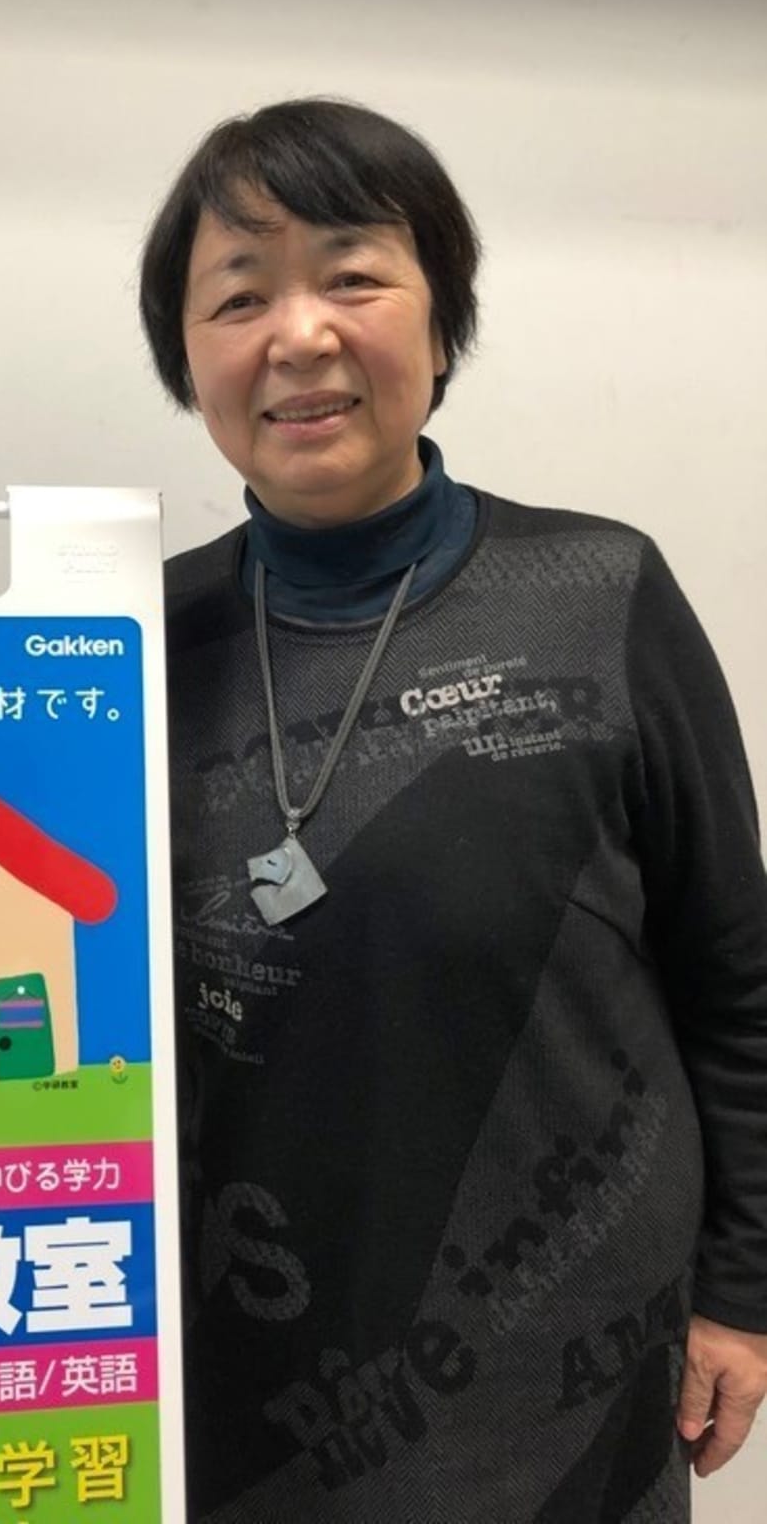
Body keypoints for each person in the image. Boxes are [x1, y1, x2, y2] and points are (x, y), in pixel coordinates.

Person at [141, 98, 767, 1522]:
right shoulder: (125, 648)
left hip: (567, 1388)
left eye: (352, 276)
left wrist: (743, 1292)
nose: (299, 334)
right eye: (239, 297)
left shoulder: (598, 594)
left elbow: (735, 973)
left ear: (442, 322)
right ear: (189, 360)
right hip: (243, 1395)